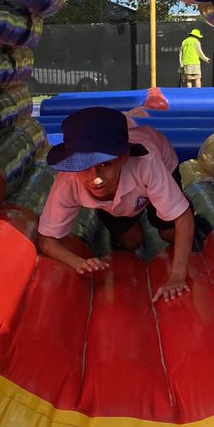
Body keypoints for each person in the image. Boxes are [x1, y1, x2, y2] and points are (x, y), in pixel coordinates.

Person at [37, 106, 194, 303]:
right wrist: (79, 262)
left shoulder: (146, 163)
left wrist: (177, 276)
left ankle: (179, 206)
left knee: (169, 232)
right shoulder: (68, 182)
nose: (95, 179)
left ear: (124, 157)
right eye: (84, 167)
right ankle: (126, 212)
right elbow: (46, 240)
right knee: (131, 241)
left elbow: (183, 217)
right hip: (119, 197)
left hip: (158, 161)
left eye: (104, 164)